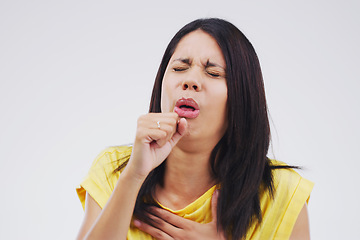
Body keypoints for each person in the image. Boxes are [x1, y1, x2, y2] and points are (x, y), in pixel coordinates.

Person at [76, 18, 314, 240]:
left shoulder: (283, 194)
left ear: (242, 97)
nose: (190, 81)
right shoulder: (114, 171)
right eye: (180, 68)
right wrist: (133, 177)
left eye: (213, 73)